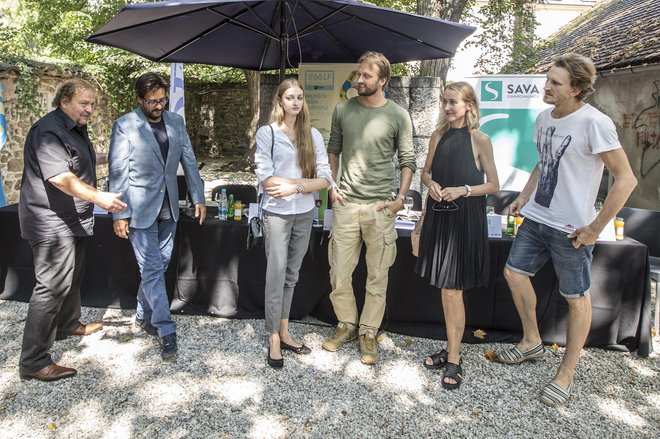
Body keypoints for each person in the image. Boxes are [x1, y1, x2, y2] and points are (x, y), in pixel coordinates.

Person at [497, 53, 637, 406]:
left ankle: (566, 373)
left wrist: (594, 228)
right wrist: (524, 197)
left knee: (576, 299)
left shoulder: (596, 123)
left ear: (576, 89)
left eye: (555, 83)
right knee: (514, 274)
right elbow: (543, 162)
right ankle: (532, 342)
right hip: (537, 218)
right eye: (548, 79)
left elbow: (626, 179)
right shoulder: (544, 117)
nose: (546, 86)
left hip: (572, 229)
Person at [18, 78, 127, 382]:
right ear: (64, 101)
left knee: (73, 276)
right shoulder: (48, 131)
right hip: (50, 223)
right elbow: (60, 178)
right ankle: (33, 361)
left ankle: (68, 325)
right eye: (84, 103)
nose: (90, 109)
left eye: (93, 104)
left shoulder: (74, 129)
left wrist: (116, 157)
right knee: (50, 288)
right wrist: (99, 197)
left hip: (73, 219)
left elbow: (82, 162)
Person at [321, 51, 416, 365]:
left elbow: (407, 161)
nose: (359, 80)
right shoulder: (342, 109)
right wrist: (332, 188)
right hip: (346, 204)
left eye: (366, 76)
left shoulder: (398, 115)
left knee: (377, 276)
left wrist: (400, 199)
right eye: (359, 74)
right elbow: (332, 150)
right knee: (339, 272)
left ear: (383, 81)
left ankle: (368, 332)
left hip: (380, 208)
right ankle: (346, 324)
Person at [109, 72, 206, 360]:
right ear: (140, 100)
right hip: (139, 209)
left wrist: (198, 197)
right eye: (153, 101)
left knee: (160, 265)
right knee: (151, 269)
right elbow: (119, 172)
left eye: (163, 100)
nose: (159, 105)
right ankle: (165, 328)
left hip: (170, 209)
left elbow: (188, 159)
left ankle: (142, 313)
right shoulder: (125, 125)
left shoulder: (176, 122)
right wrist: (119, 213)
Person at [415, 82, 499, 390]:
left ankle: (454, 357)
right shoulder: (437, 136)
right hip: (440, 218)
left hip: (465, 222)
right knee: (446, 289)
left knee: (452, 291)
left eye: (453, 102)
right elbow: (425, 172)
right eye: (444, 102)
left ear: (469, 106)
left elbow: (494, 184)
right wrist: (431, 184)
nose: (447, 107)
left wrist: (463, 190)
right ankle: (451, 349)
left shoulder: (480, 139)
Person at [254, 79, 332, 368]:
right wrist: (302, 184)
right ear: (280, 101)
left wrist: (295, 187)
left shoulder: (313, 135)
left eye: (299, 97)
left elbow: (325, 179)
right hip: (275, 213)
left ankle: (284, 330)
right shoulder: (268, 134)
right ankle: (273, 335)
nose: (296, 102)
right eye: (290, 97)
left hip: (304, 212)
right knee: (275, 274)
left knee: (291, 274)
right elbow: (266, 178)